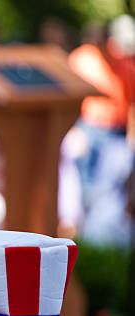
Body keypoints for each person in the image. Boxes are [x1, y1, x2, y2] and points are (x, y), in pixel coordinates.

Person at [64, 15, 135, 245]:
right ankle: (82, 238)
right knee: (83, 185)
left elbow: (131, 101)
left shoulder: (123, 63)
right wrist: (74, 130)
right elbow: (68, 95)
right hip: (87, 129)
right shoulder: (82, 59)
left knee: (109, 190)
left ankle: (98, 240)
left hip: (115, 132)